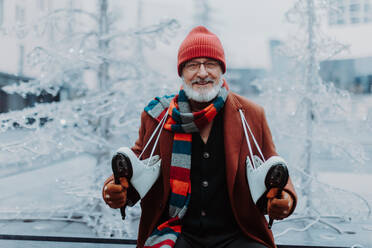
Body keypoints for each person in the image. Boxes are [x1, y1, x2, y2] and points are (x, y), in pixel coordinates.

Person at [102, 26, 297, 248]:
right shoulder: (158, 116)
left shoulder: (250, 114)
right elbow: (135, 160)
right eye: (192, 65)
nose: (202, 73)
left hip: (238, 233)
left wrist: (286, 198)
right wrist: (113, 188)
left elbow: (273, 162)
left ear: (222, 70)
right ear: (182, 72)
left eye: (210, 64)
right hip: (178, 231)